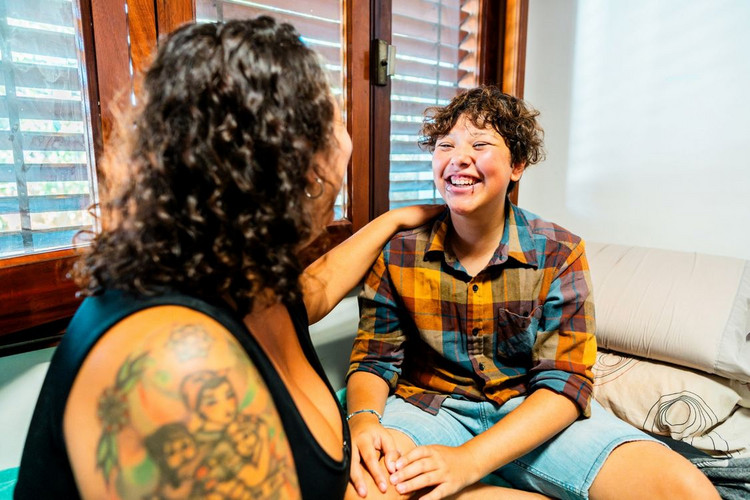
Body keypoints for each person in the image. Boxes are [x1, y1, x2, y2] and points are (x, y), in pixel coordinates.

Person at [14, 17, 440, 499]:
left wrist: (393, 221)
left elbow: (315, 289)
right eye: (337, 120)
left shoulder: (236, 270)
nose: (347, 141)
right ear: (299, 163)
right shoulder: (177, 365)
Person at [345, 86, 720, 499]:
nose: (458, 157)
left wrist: (469, 461)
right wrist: (363, 420)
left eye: (480, 144)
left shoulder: (559, 252)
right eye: (445, 145)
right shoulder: (398, 251)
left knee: (684, 490)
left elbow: (566, 381)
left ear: (517, 164)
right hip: (428, 408)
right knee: (367, 490)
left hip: (529, 410)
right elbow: (374, 359)